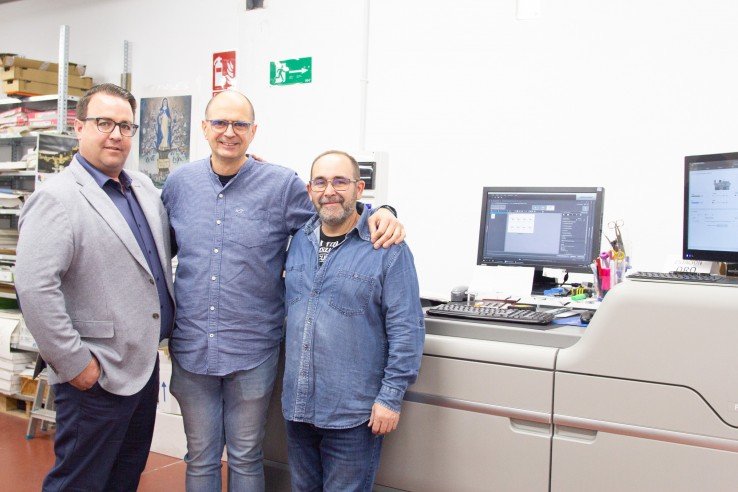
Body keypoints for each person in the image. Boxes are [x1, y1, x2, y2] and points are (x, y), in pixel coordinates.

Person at [161, 90, 404, 491]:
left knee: (244, 456)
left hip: (253, 351)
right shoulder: (179, 185)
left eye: (240, 124)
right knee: (200, 457)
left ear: (253, 131)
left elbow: (338, 212)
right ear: (204, 128)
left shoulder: (281, 185)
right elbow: (155, 252)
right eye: (220, 123)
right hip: (191, 348)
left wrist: (384, 214)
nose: (229, 132)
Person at [14, 83, 175, 491]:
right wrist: (76, 365)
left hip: (141, 367)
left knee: (124, 475)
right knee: (80, 481)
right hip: (96, 373)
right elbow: (34, 288)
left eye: (125, 126)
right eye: (104, 123)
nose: (116, 134)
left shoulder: (142, 190)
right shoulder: (58, 197)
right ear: (79, 126)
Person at [282, 150, 424, 491]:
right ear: (309, 189)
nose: (330, 190)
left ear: (359, 189)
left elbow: (407, 329)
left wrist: (390, 397)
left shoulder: (387, 248)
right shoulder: (298, 240)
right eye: (320, 182)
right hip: (298, 408)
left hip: (353, 414)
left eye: (340, 181)